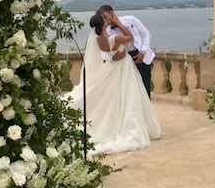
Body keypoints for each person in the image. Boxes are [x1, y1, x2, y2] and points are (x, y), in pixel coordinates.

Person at [61, 12, 161, 155]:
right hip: (124, 67)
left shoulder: (98, 40)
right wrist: (120, 25)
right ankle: (127, 126)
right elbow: (130, 37)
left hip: (113, 66)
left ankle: (122, 122)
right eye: (105, 20)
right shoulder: (113, 37)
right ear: (102, 25)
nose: (107, 21)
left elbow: (104, 53)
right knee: (129, 96)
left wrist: (112, 56)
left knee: (116, 96)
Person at [98, 4, 154, 98]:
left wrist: (143, 52)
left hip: (141, 56)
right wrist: (112, 57)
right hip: (124, 60)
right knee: (129, 91)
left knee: (145, 87)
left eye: (105, 17)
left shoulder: (131, 19)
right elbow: (102, 51)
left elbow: (146, 34)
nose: (105, 20)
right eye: (102, 18)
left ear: (112, 13)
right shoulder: (106, 31)